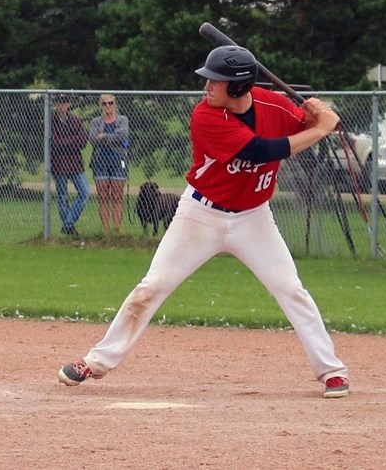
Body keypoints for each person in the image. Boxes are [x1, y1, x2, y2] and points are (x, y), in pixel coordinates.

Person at [58, 45, 350, 398]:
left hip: (254, 218)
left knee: (290, 289)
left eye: (216, 81)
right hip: (200, 216)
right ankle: (97, 361)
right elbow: (261, 151)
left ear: (239, 87)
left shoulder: (273, 105)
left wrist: (318, 115)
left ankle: (332, 372)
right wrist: (321, 129)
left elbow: (308, 124)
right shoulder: (205, 116)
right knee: (151, 287)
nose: (207, 86)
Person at [89, 94, 129, 234]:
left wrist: (104, 136)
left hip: (118, 160)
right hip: (100, 161)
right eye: (105, 103)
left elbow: (123, 135)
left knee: (117, 196)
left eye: (110, 103)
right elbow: (93, 139)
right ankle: (106, 231)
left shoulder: (123, 120)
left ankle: (116, 229)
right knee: (103, 197)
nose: (108, 106)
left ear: (115, 104)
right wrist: (112, 138)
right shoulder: (96, 122)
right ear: (101, 105)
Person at [51, 94, 90, 236]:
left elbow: (83, 141)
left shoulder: (76, 120)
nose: (62, 106)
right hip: (58, 163)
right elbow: (55, 143)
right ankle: (69, 229)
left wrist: (65, 141)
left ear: (68, 104)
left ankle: (67, 225)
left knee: (85, 192)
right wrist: (73, 141)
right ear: (56, 105)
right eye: (59, 103)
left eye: (65, 103)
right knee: (62, 196)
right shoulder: (51, 121)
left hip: (75, 163)